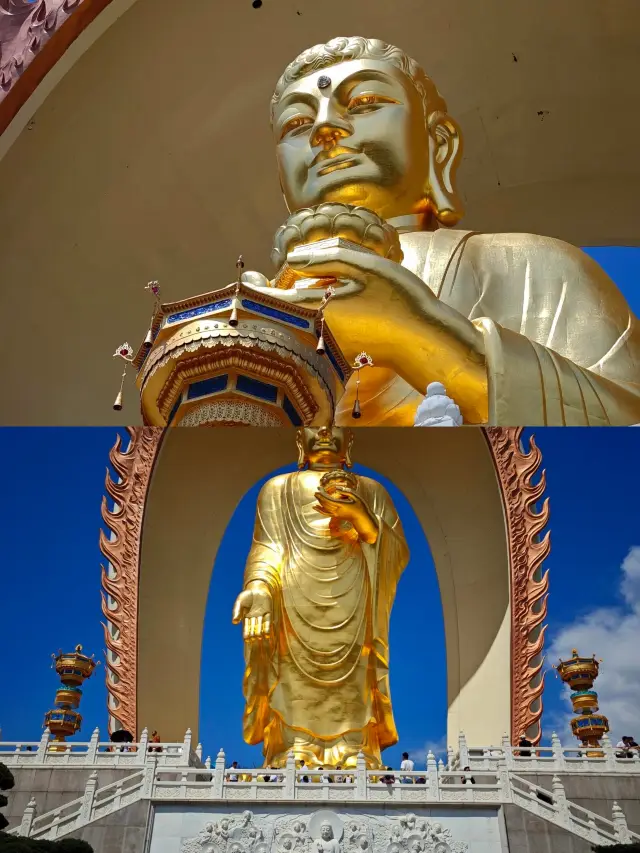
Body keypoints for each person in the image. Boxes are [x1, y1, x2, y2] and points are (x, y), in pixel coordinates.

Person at [244, 36, 640, 426]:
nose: (325, 128)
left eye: (365, 103)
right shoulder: (251, 314)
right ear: (282, 183)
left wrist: (426, 339)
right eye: (297, 123)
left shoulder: (534, 266)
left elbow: (627, 426)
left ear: (440, 145)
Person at [232, 426, 409, 769]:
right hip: (292, 590)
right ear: (300, 440)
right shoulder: (277, 490)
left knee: (357, 666)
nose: (325, 431)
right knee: (288, 669)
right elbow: (267, 548)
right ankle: (294, 746)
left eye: (337, 426)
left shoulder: (371, 490)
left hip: (356, 591)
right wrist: (258, 587)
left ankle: (355, 747)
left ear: (351, 441)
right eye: (313, 426)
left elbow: (396, 550)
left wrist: (363, 520)